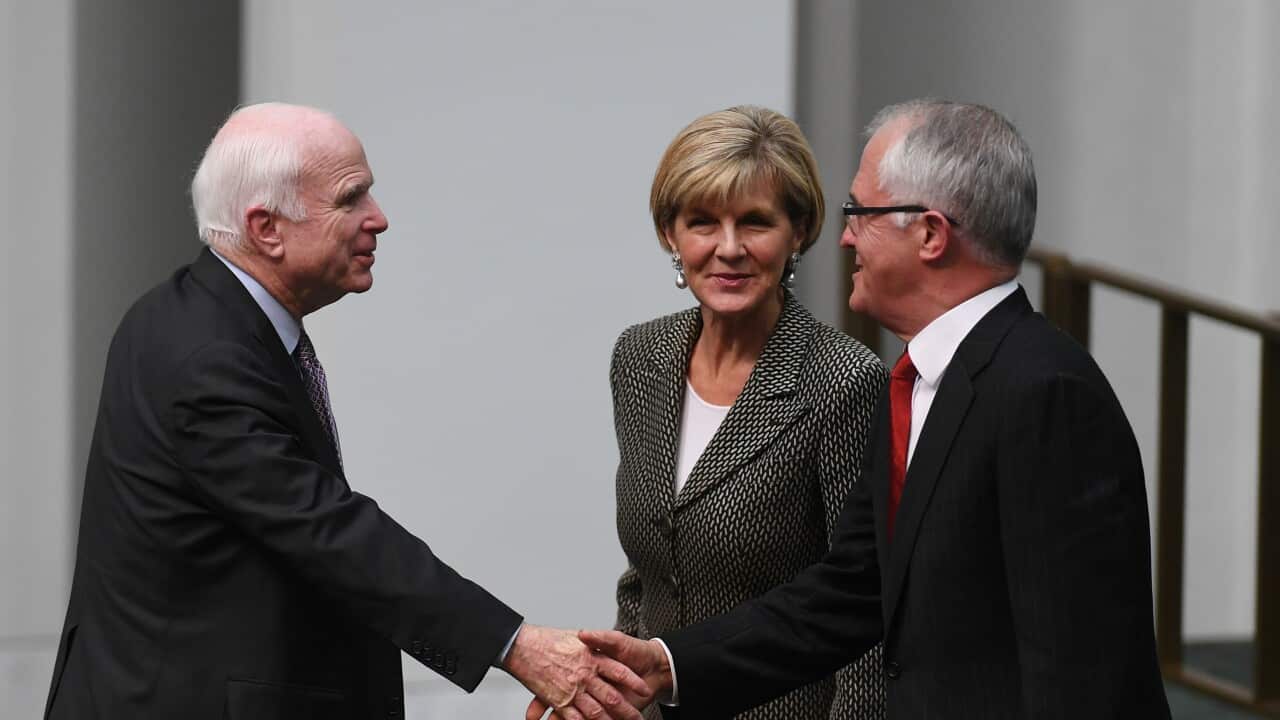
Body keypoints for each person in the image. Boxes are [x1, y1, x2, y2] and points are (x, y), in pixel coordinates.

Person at [535, 100, 1171, 719]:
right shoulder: (929, 381)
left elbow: (1085, 671)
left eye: (860, 213)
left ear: (928, 233)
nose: (844, 238)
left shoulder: (1044, 391)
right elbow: (854, 591)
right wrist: (670, 665)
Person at [43, 102, 646, 720]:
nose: (378, 219)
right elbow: (327, 531)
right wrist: (515, 646)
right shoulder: (203, 353)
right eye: (350, 199)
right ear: (265, 228)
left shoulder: (199, 316)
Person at [608, 106, 888, 720]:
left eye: (755, 223)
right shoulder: (640, 357)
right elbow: (645, 576)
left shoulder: (842, 379)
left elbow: (866, 609)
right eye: (703, 222)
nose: (727, 249)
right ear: (669, 234)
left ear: (798, 232)